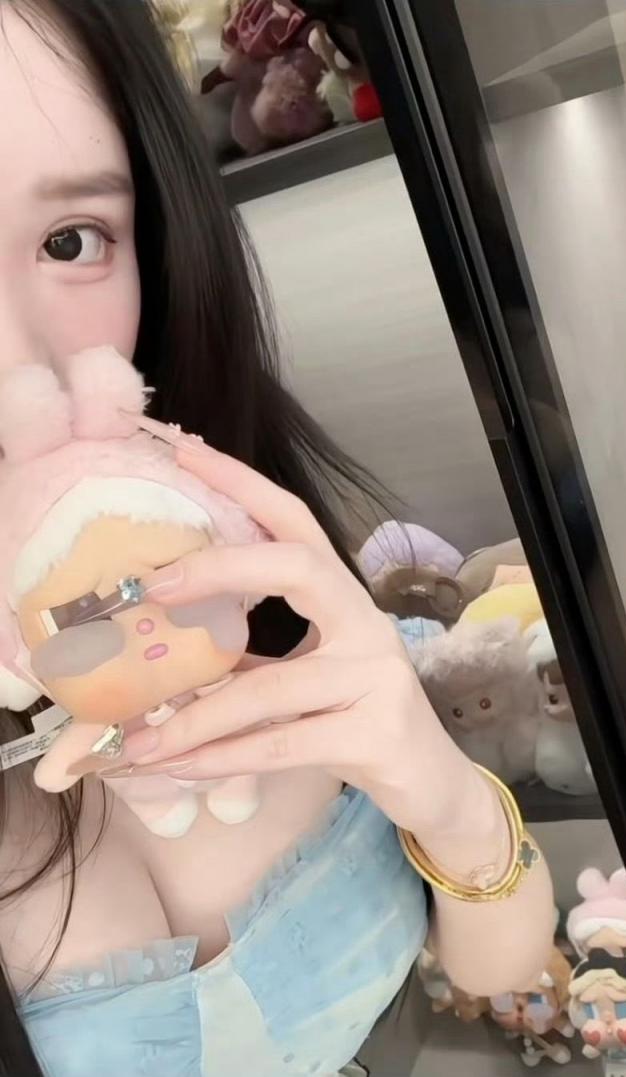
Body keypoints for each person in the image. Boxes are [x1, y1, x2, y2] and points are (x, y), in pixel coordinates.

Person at [0, 2, 556, 1075]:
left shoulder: (253, 578)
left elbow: (500, 964)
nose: (17, 366)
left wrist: (444, 795)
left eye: (71, 241)